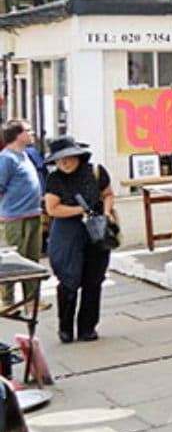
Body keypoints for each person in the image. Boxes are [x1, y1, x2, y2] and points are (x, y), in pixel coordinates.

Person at [42, 136, 114, 343]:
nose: (63, 163)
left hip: (96, 230)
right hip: (67, 230)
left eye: (67, 158)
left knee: (94, 279)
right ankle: (65, 328)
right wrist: (81, 209)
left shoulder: (96, 172)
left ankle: (87, 328)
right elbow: (52, 208)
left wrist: (106, 214)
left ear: (77, 156)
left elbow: (108, 194)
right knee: (68, 279)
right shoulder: (54, 179)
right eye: (58, 160)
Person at [0, 120, 45, 312]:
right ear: (17, 135)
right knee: (11, 260)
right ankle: (7, 301)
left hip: (33, 213)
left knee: (32, 259)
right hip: (14, 218)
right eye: (28, 130)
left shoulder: (26, 155)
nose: (32, 133)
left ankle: (32, 299)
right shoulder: (6, 158)